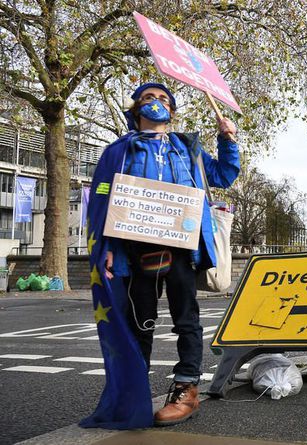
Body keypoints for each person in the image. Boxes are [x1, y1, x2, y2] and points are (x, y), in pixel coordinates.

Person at [83, 82, 240, 428]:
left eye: (164, 99)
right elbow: (102, 196)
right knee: (141, 323)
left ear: (172, 112)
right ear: (135, 109)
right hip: (135, 251)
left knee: (187, 319)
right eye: (148, 98)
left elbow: (224, 175)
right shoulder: (118, 152)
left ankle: (187, 389)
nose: (156, 103)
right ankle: (134, 393)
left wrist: (228, 139)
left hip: (182, 249)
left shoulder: (188, 149)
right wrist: (106, 247)